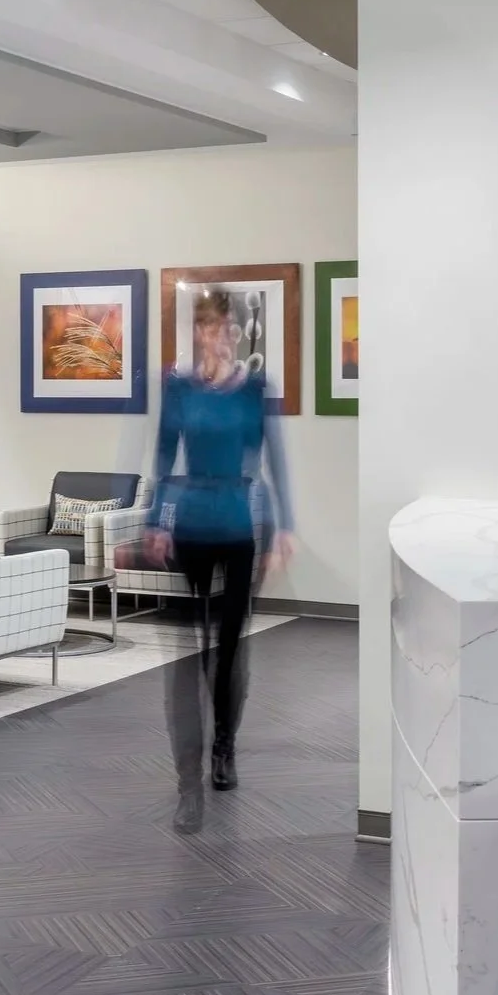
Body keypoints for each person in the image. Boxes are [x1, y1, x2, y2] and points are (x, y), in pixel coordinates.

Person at [147, 287, 294, 830]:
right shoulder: (179, 388)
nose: (222, 336)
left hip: (239, 526)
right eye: (212, 327)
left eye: (229, 327)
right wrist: (152, 520)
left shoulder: (255, 388)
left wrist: (285, 527)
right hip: (190, 524)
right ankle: (187, 770)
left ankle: (224, 748)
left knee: (228, 649)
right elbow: (164, 454)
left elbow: (276, 456)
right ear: (199, 331)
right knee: (192, 652)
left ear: (237, 332)